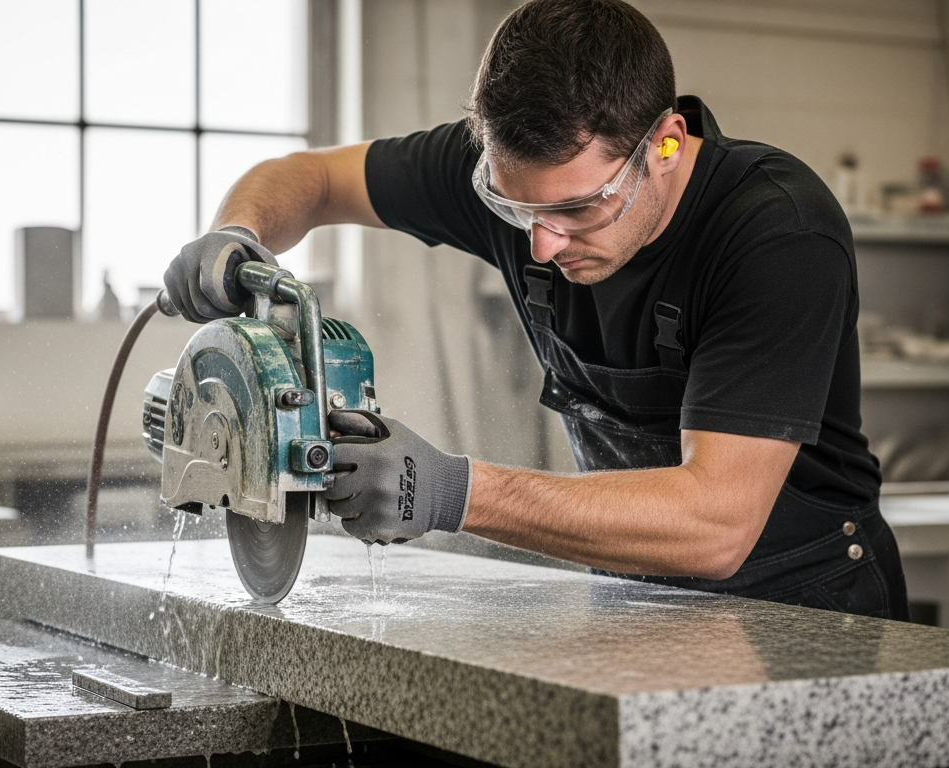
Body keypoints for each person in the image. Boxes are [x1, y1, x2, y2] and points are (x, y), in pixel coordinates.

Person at [163, 0, 906, 619]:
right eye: (515, 209)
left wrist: (453, 491)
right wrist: (238, 230)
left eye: (581, 208)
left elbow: (715, 523)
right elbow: (312, 178)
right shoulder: (518, 178)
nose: (543, 246)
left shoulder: (777, 233)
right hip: (635, 602)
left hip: (807, 609)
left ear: (668, 146)